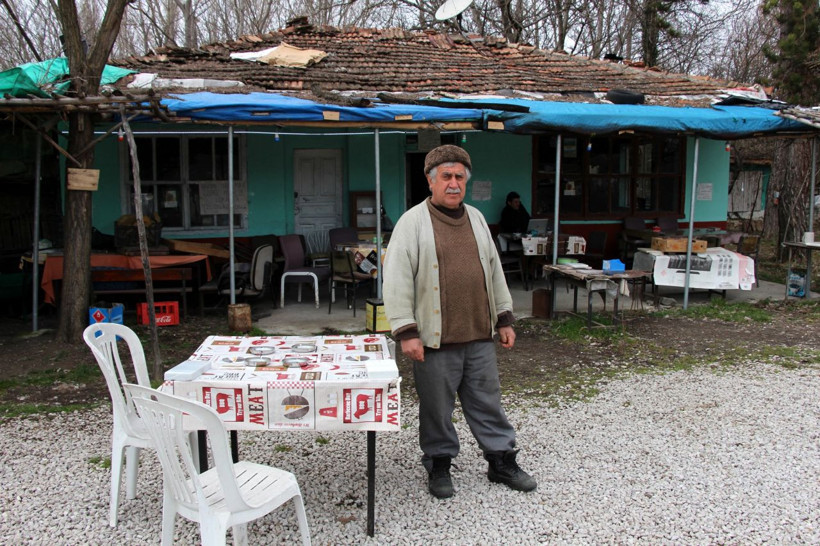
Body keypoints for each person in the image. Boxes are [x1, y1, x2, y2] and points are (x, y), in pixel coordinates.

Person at [382, 145, 536, 499]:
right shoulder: (412, 223)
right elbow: (397, 280)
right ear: (430, 181)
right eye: (446, 177)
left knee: (487, 402)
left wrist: (505, 318)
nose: (454, 184)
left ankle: (501, 461)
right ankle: (438, 464)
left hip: (478, 336)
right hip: (436, 341)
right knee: (436, 408)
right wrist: (406, 331)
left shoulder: (477, 219)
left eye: (459, 177)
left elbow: (494, 271)